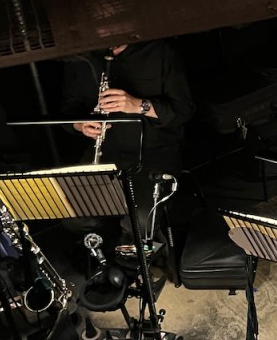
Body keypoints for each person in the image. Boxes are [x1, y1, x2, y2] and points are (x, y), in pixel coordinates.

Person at [61, 39, 195, 252]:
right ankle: (105, 252)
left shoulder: (160, 50)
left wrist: (138, 105)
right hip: (106, 152)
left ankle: (138, 257)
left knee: (140, 220)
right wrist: (80, 125)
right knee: (72, 215)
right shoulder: (81, 58)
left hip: (155, 152)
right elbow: (69, 109)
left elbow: (183, 110)